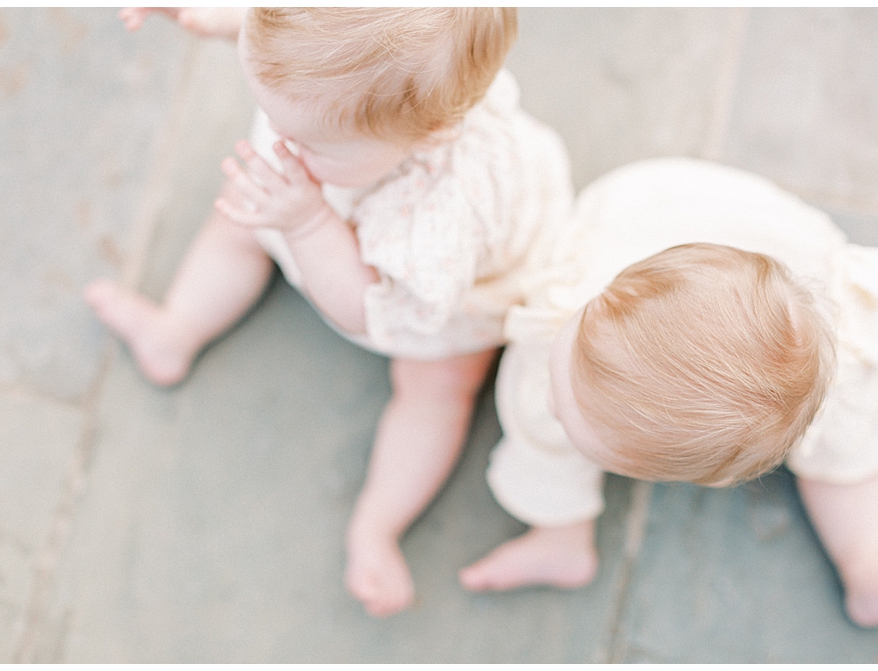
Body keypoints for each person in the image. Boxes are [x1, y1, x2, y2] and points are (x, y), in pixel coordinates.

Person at [85, 8, 574, 617]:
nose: (281, 139)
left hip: (430, 291)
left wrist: (310, 221)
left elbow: (365, 310)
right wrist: (238, 23)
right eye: (267, 106)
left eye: (307, 140)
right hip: (336, 196)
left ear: (429, 134)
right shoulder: (359, 80)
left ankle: (377, 526)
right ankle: (174, 332)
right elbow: (316, 35)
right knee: (240, 213)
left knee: (437, 385)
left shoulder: (441, 221)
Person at [459, 158, 878, 629]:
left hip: (773, 256)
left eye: (566, 401)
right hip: (662, 202)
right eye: (562, 372)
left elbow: (851, 439)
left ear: (721, 478)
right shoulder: (572, 293)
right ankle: (560, 539)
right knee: (546, 433)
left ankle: (872, 568)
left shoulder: (859, 359)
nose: (552, 396)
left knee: (851, 455)